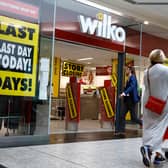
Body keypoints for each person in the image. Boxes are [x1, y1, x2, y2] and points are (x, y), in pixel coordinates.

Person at [140, 49, 168, 167]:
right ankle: (150, 148)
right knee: (161, 127)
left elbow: (145, 87)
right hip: (162, 102)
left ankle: (157, 154)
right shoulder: (166, 70)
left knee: (149, 126)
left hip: (148, 102)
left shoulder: (147, 71)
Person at [116, 65, 142, 134]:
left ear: (130, 70)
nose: (125, 71)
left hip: (131, 101)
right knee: (122, 115)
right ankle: (121, 131)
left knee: (133, 118)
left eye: (127, 70)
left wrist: (123, 93)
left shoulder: (133, 77)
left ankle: (143, 124)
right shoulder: (128, 78)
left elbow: (131, 87)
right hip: (127, 100)